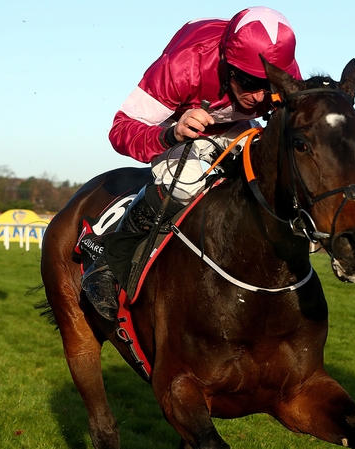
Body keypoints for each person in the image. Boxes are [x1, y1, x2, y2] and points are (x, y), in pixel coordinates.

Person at [82, 6, 301, 321]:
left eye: (268, 85)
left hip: (233, 126)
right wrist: (171, 135)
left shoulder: (286, 72)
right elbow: (120, 130)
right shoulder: (184, 66)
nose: (258, 96)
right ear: (227, 64)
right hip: (174, 122)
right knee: (186, 183)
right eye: (249, 82)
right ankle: (105, 263)